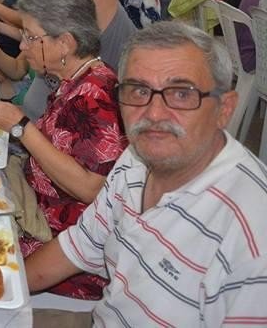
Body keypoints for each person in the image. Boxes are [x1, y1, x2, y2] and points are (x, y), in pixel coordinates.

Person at [26, 22, 267, 326]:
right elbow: (78, 246)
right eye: (139, 90)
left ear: (225, 109)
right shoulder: (137, 158)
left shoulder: (253, 235)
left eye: (181, 94)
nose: (153, 114)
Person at [0, 0, 126, 299]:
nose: (22, 46)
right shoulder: (75, 80)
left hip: (62, 245)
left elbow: (90, 188)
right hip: (37, 205)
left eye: (32, 37)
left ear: (65, 43)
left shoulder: (95, 95)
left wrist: (20, 128)